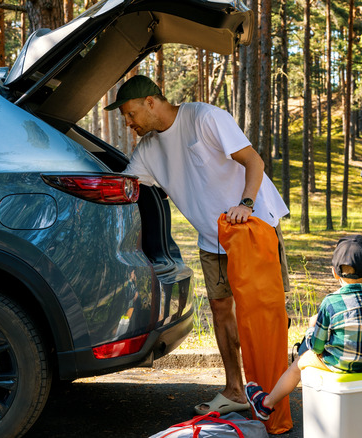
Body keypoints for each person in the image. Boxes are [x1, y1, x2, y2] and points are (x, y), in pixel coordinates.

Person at [106, 75, 290, 415]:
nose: (127, 122)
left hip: (253, 226)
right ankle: (235, 389)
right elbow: (125, 186)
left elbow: (254, 162)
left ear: (151, 102)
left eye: (129, 114)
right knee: (221, 313)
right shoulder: (148, 150)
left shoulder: (205, 117)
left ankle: (275, 393)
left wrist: (245, 204)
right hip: (213, 238)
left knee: (264, 314)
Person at [244, 235, 362, 420]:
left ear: (335, 273)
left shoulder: (331, 302)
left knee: (299, 362)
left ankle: (265, 405)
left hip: (343, 366)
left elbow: (316, 347)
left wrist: (310, 328)